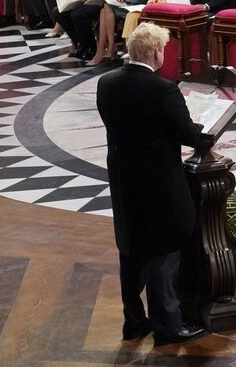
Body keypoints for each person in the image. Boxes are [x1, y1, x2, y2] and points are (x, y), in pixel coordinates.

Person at [96, 22, 210, 347]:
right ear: (156, 53)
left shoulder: (107, 82)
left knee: (130, 250)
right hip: (159, 182)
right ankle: (169, 326)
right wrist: (206, 132)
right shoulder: (163, 89)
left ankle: (133, 321)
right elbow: (188, 134)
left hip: (123, 179)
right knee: (164, 251)